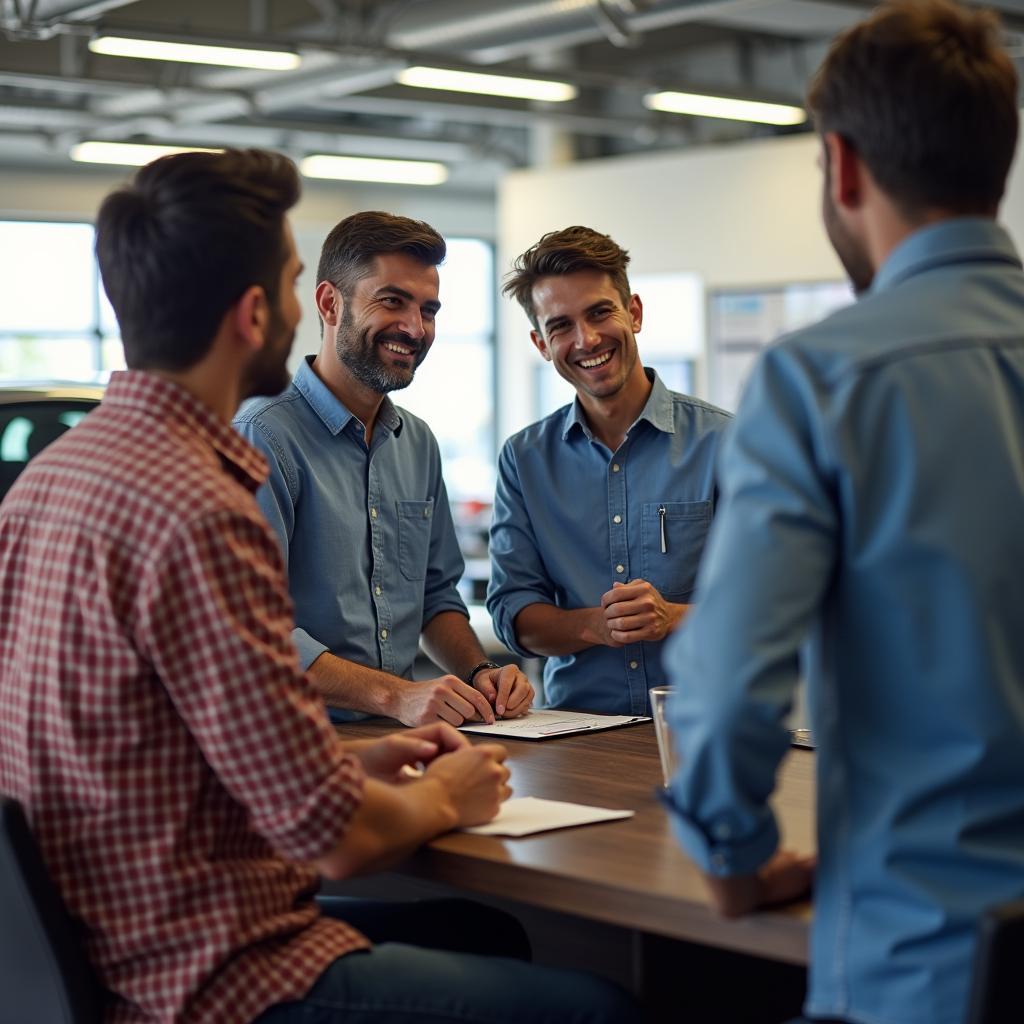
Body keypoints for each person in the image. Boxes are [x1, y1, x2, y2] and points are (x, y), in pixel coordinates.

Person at [0, 149, 635, 1024]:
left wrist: (362, 757)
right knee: (596, 1008)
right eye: (297, 283)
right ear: (262, 311)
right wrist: (448, 792)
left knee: (486, 933)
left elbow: (152, 731)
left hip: (99, 928)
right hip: (200, 962)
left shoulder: (50, 476)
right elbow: (333, 839)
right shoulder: (199, 504)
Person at [661, 4, 1024, 1024]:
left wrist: (728, 857)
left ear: (844, 167)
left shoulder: (822, 380)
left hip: (923, 965)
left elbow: (728, 689)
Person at [234, 211, 534, 727]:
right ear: (330, 304)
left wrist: (479, 670)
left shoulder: (416, 442)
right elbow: (251, 629)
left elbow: (435, 598)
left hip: (392, 736)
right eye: (392, 301)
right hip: (288, 742)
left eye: (429, 309)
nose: (414, 328)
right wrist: (396, 696)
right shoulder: (263, 436)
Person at [488, 226, 732, 714]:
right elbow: (513, 612)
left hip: (715, 729)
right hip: (579, 734)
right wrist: (593, 626)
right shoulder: (525, 459)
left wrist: (674, 617)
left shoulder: (726, 443)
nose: (587, 339)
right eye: (561, 326)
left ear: (634, 313)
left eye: (600, 312)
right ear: (541, 344)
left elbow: (773, 600)